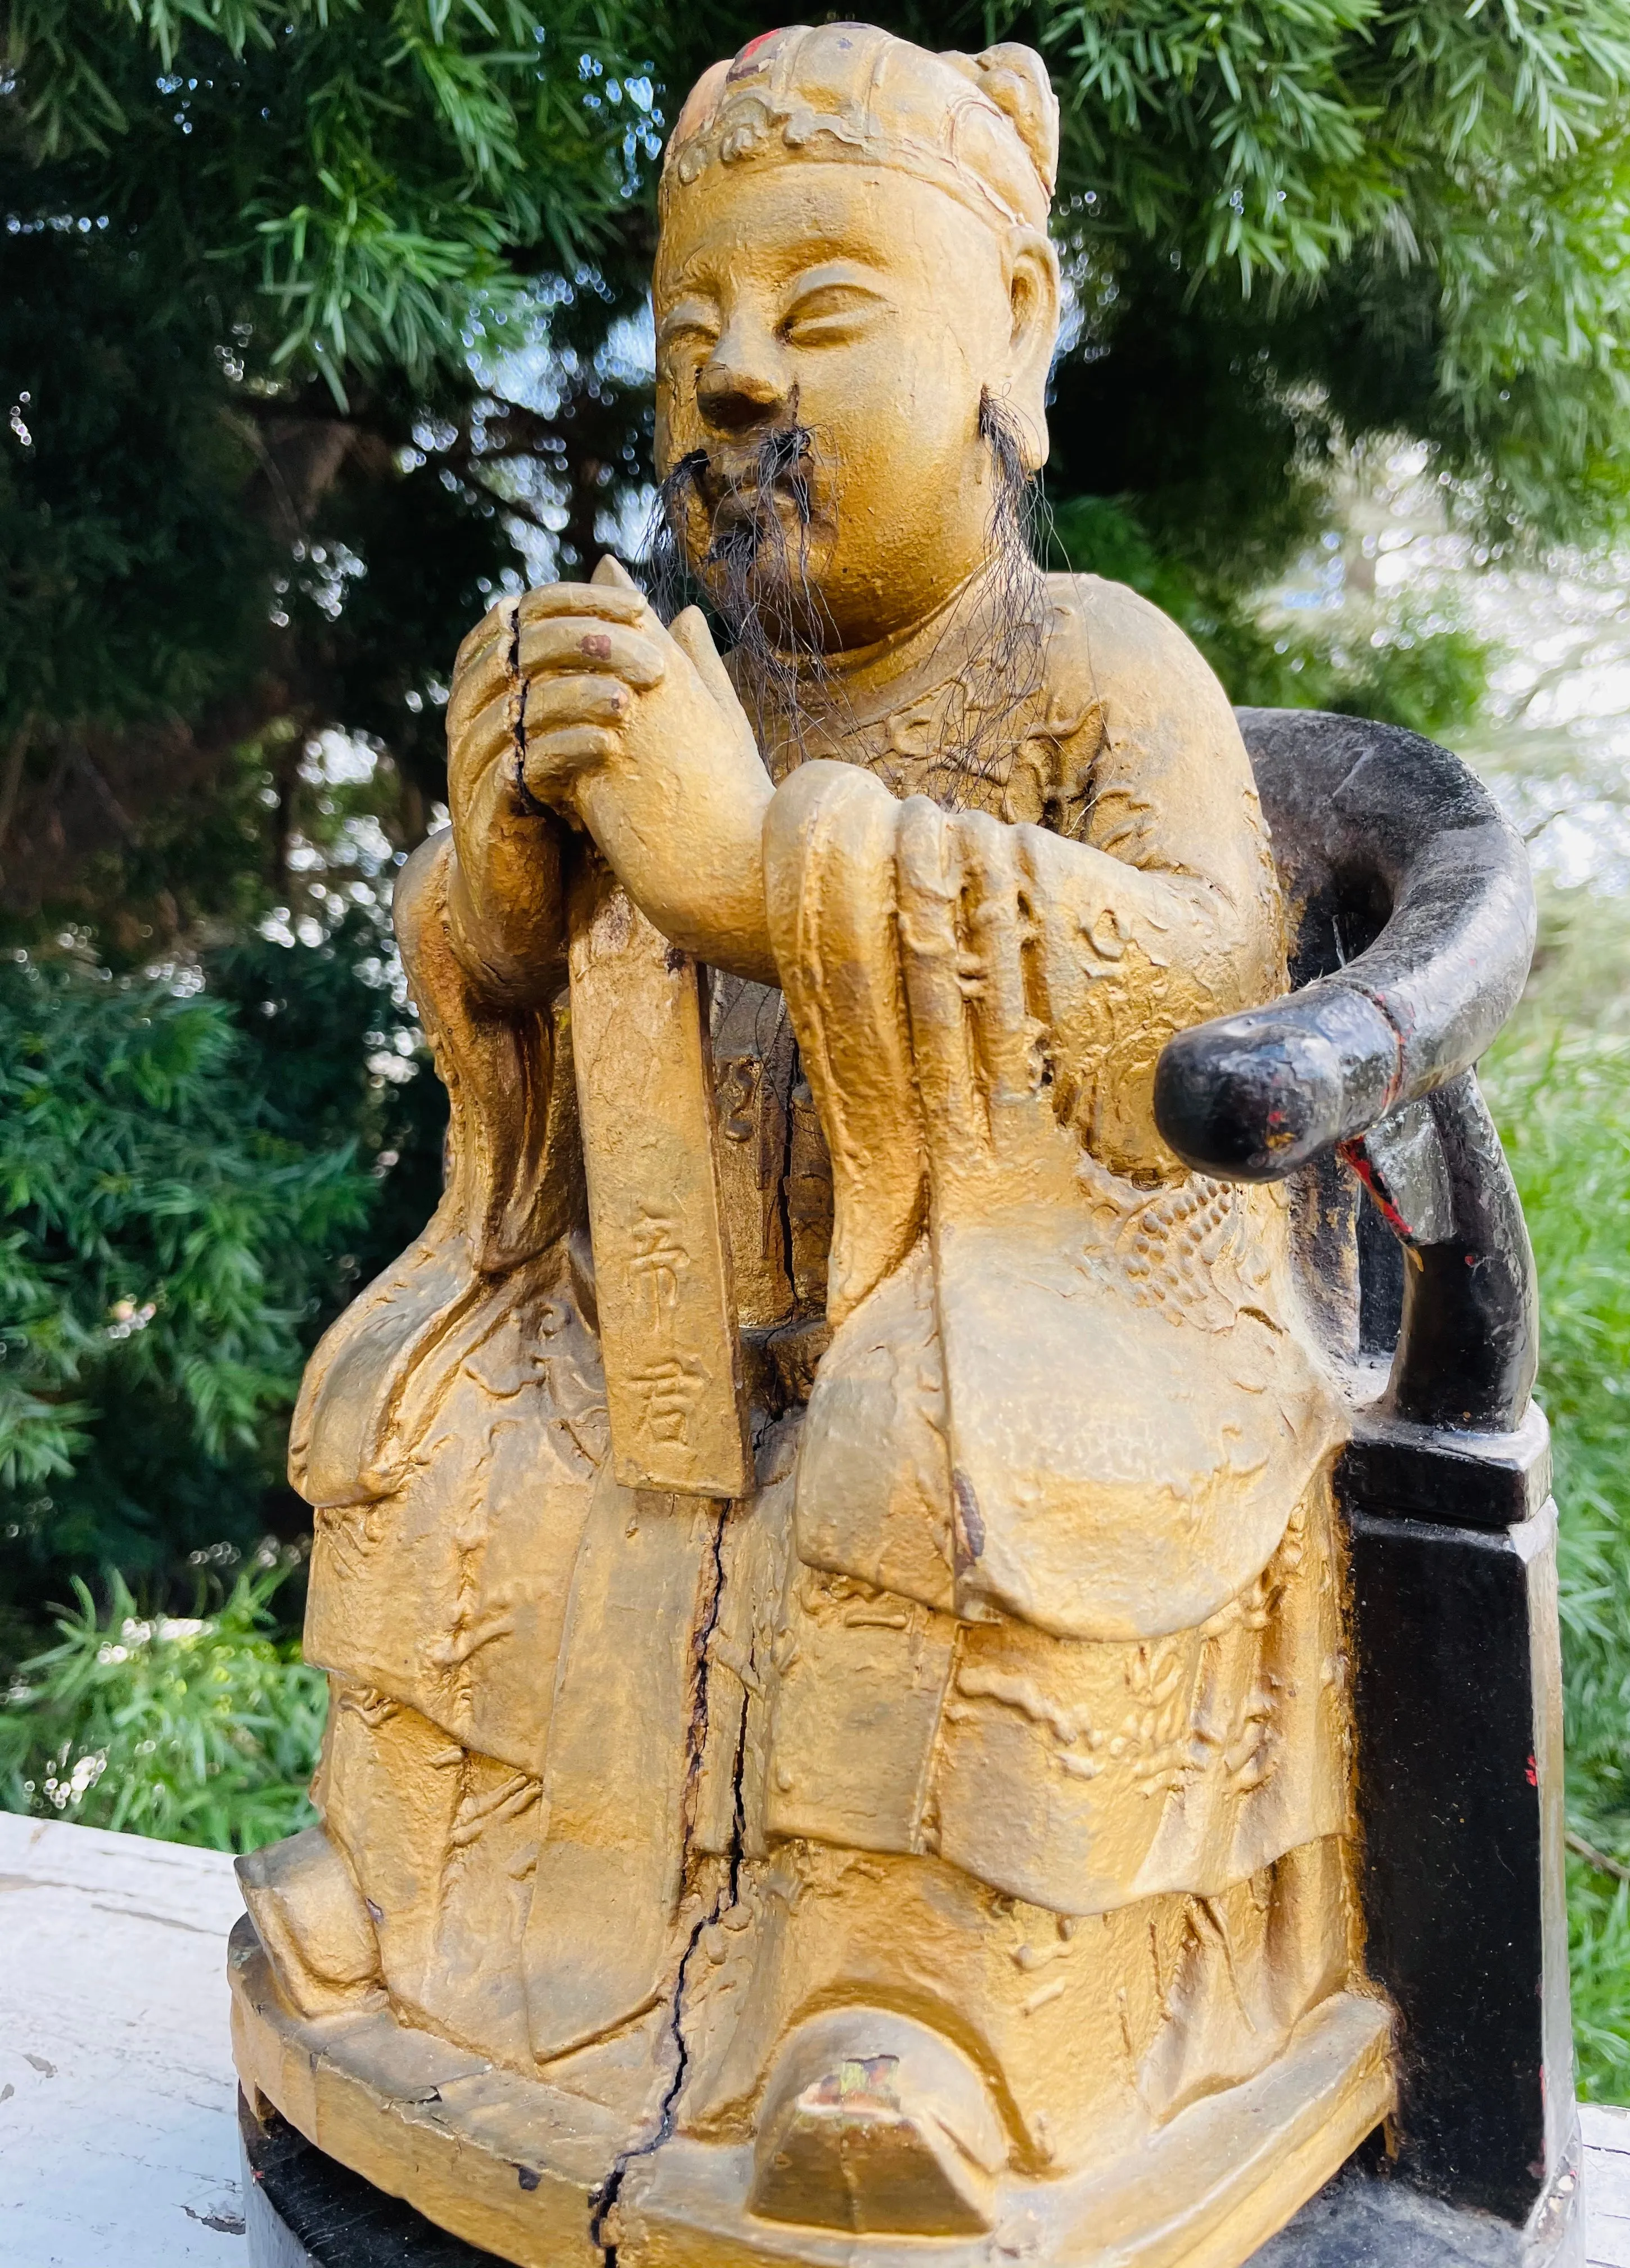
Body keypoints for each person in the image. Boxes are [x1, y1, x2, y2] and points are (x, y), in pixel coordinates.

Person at [236, 25, 1393, 2258]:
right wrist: (498, 889)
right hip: (687, 1306)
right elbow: (525, 1042)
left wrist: (773, 872)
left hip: (1044, 1301)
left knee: (912, 1446)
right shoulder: (693, 671)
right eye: (692, 338)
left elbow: (1193, 973)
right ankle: (432, 1907)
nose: (736, 382)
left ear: (1015, 330)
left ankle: (919, 2026)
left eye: (824, 314)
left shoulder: (1087, 662)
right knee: (466, 1405)